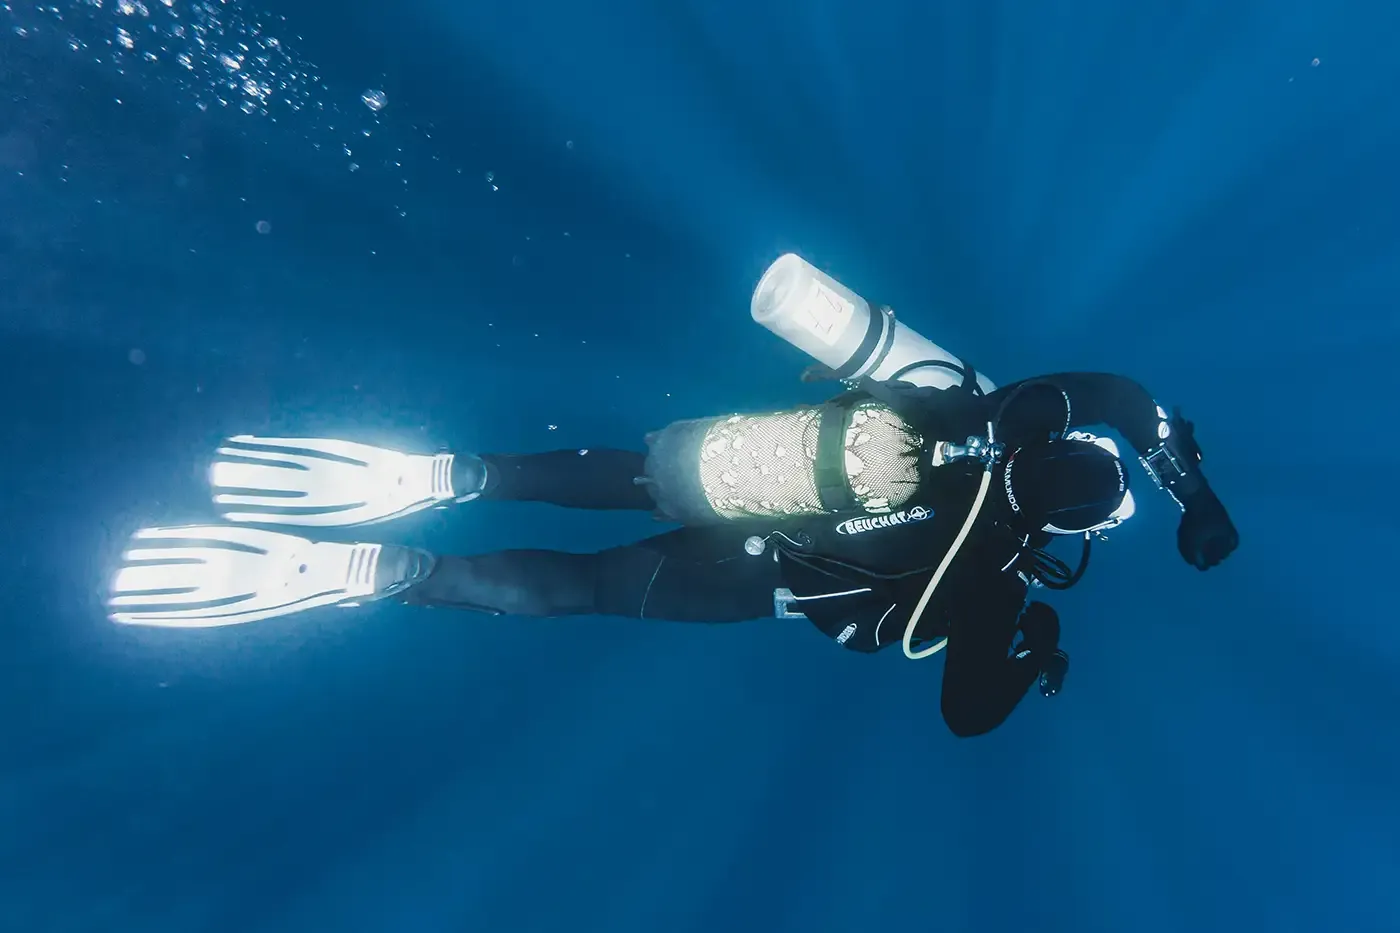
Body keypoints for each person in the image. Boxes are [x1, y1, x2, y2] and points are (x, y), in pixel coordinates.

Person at [106, 257, 1239, 738]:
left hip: (756, 471)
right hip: (767, 577)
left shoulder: (987, 403)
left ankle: (450, 479)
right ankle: (392, 574)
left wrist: (1190, 491)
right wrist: (1032, 642)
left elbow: (1132, 408)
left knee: (600, 476)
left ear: (1052, 441)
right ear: (1064, 528)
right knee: (582, 591)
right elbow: (963, 709)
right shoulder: (993, 576)